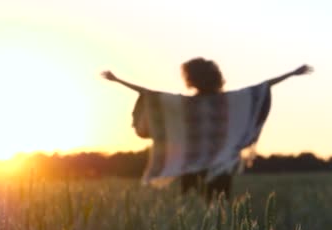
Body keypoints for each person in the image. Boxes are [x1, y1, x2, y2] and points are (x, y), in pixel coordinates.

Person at [102, 58, 313, 201]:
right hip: (219, 166)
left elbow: (149, 94)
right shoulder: (227, 102)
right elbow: (262, 88)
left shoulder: (185, 105)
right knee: (218, 208)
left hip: (191, 166)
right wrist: (292, 73)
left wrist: (117, 79)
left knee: (192, 208)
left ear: (191, 79)